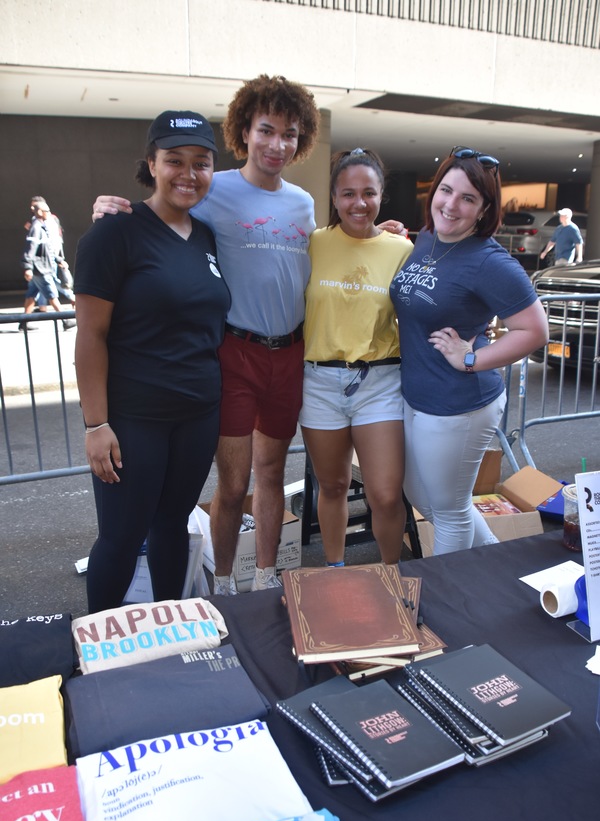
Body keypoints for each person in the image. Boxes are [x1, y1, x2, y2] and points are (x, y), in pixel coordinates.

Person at [92, 74, 320, 594]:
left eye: (289, 133)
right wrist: (112, 210)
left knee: (270, 476)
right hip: (233, 352)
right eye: (267, 130)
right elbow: (162, 208)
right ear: (244, 131)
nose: (277, 143)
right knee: (233, 484)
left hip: (288, 352)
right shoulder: (215, 189)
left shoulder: (304, 204)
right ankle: (223, 584)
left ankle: (263, 580)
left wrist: (388, 233)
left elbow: (333, 248)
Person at [74, 110, 231, 613]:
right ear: (151, 164)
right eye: (174, 161)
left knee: (173, 524)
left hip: (197, 414)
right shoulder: (113, 233)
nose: (188, 173)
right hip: (133, 418)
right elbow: (90, 336)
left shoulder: (206, 237)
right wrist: (96, 424)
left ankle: (169, 634)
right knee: (121, 536)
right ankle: (94, 651)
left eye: (201, 163)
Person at [390, 146, 549, 556]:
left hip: (458, 405)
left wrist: (471, 357)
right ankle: (494, 561)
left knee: (448, 512)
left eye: (468, 198)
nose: (451, 204)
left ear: (484, 209)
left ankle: (450, 604)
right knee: (425, 500)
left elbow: (534, 330)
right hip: (416, 396)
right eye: (446, 190)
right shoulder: (426, 240)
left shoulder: (490, 262)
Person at [300, 148, 413, 566]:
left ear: (382, 195)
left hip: (380, 382)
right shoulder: (314, 243)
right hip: (320, 383)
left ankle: (391, 576)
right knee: (332, 486)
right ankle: (335, 571)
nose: (359, 203)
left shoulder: (400, 251)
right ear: (333, 197)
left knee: (384, 493)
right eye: (348, 194)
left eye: (369, 193)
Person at [21, 198, 76, 332]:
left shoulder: (42, 226)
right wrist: (27, 266)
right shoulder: (36, 227)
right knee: (52, 294)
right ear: (40, 211)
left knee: (31, 295)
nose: (49, 213)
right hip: (41, 268)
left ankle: (24, 322)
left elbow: (48, 248)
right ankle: (65, 319)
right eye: (47, 211)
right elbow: (31, 248)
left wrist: (58, 259)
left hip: (42, 266)